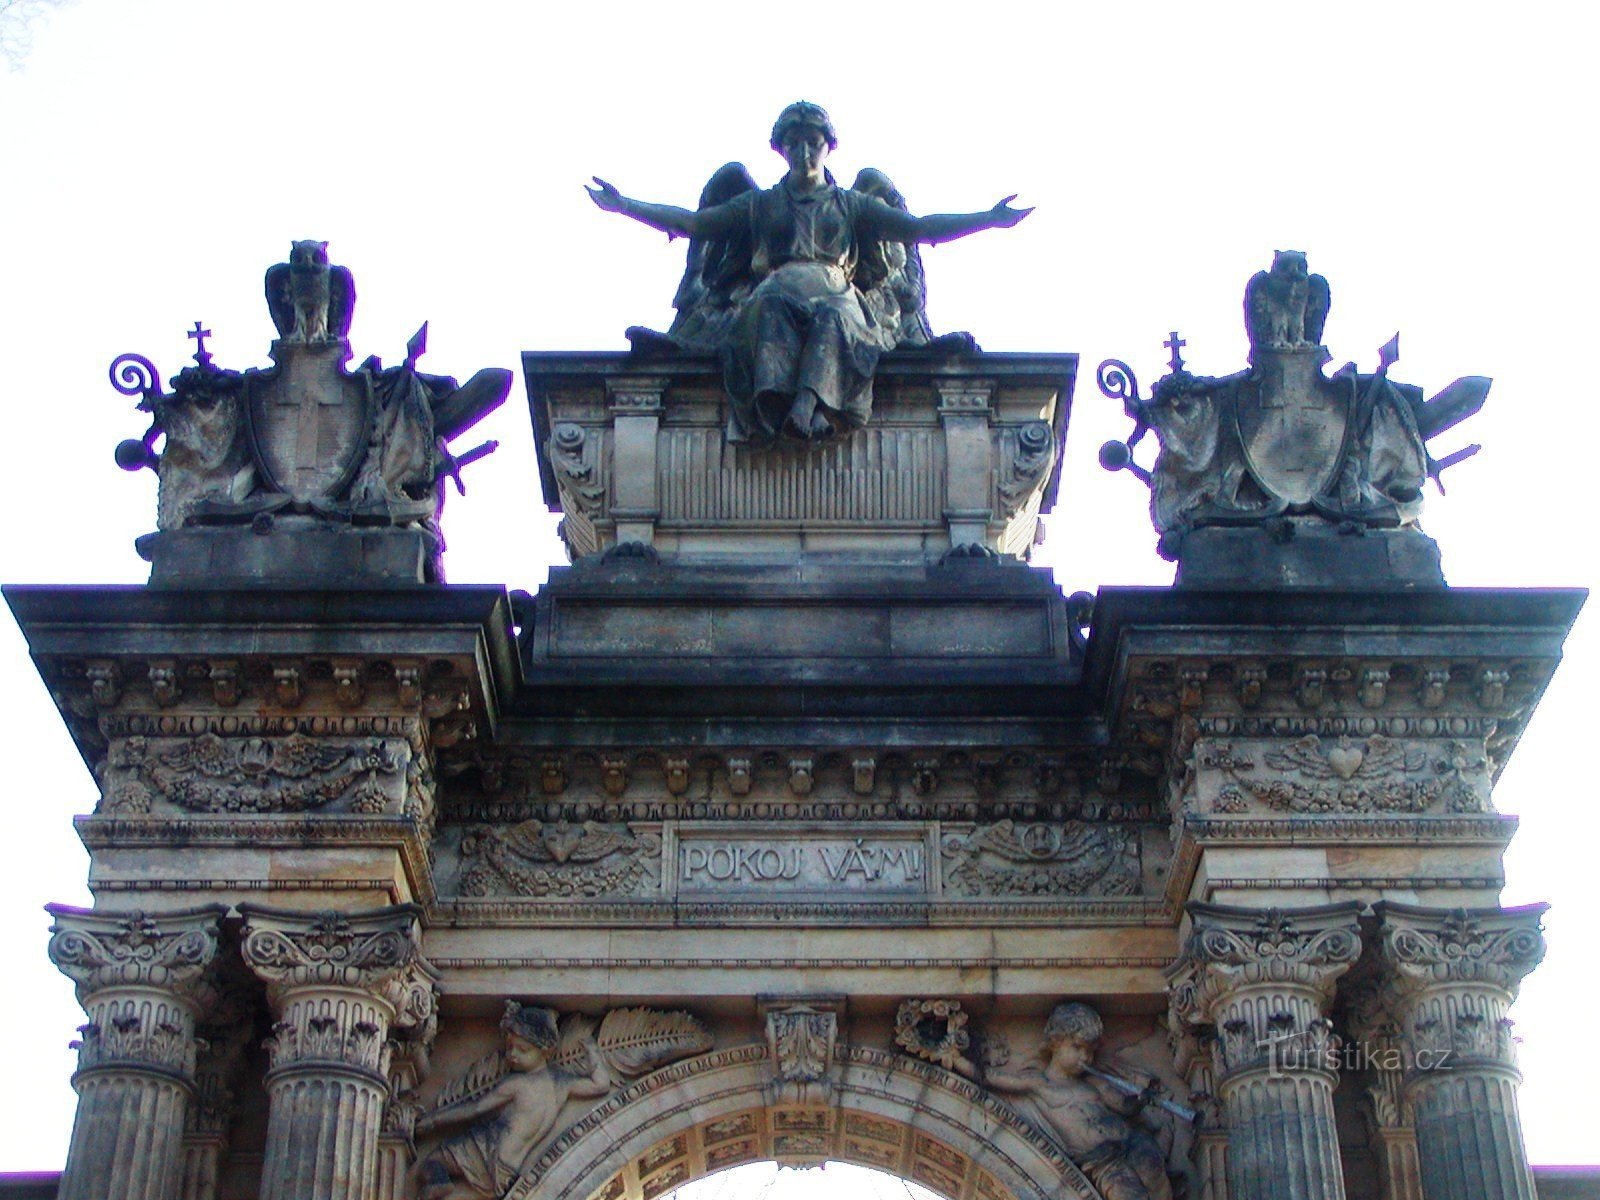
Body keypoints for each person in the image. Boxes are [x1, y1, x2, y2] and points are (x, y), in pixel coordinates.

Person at [587, 102, 1030, 444]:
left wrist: (988, 218)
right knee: (769, 309)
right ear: (780, 149)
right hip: (776, 291)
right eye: (793, 144)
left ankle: (805, 404)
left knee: (835, 318)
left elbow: (919, 229)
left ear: (828, 145)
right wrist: (624, 205)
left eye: (812, 142)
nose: (803, 153)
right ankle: (781, 408)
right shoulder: (759, 204)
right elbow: (693, 224)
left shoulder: (853, 204)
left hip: (836, 293)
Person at [413, 1003, 612, 1200]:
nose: (513, 1056)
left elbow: (476, 1108)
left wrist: (434, 1119)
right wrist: (592, 1050)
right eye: (510, 1048)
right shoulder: (563, 1085)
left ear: (546, 1051)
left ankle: (439, 1186)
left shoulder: (517, 1083)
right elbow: (601, 1085)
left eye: (523, 1049)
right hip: (509, 1171)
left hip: (487, 1151)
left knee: (434, 1162)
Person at [980, 1003, 1175, 1200]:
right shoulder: (1039, 1083)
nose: (1085, 1057)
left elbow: (1123, 1105)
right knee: (1126, 1194)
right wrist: (963, 1061)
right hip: (1102, 1161)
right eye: (1077, 1047)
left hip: (1130, 1141)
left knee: (1154, 1173)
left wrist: (1139, 1100)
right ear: (1055, 1042)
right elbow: (990, 1078)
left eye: (1090, 1051)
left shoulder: (1093, 1083)